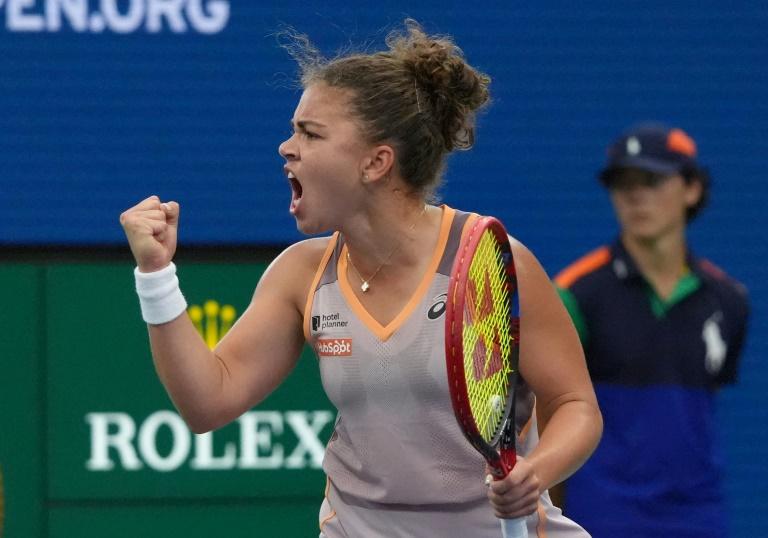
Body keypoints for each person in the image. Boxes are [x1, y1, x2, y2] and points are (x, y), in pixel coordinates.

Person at [120, 20, 602, 538]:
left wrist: (535, 474)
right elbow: (206, 402)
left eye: (310, 132)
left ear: (376, 162)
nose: (287, 147)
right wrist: (155, 274)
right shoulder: (301, 274)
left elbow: (576, 406)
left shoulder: (487, 260)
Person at [553, 123, 750, 538]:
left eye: (653, 180)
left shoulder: (730, 302)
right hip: (601, 515)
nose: (636, 196)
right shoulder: (575, 295)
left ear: (692, 189)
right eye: (622, 184)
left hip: (698, 516)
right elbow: (549, 415)